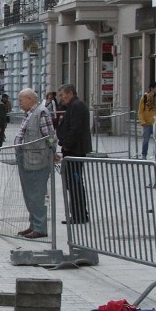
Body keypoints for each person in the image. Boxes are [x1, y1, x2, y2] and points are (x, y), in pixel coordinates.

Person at [13, 88, 56, 239]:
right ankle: (33, 225)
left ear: (30, 99)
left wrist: (53, 151)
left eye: (21, 100)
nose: (19, 103)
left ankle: (40, 227)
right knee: (29, 194)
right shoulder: (30, 113)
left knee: (37, 194)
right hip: (26, 158)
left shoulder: (41, 113)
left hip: (37, 159)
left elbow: (50, 136)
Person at [56, 83, 92, 224]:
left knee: (75, 183)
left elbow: (75, 129)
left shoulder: (77, 106)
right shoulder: (72, 105)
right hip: (72, 150)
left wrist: (66, 144)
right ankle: (77, 213)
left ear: (70, 93)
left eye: (62, 95)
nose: (61, 98)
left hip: (75, 150)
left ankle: (80, 214)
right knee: (72, 183)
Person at [138, 81, 156, 158]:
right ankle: (144, 155)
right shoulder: (145, 97)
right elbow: (140, 111)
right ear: (152, 88)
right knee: (146, 140)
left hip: (155, 122)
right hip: (147, 123)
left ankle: (155, 155)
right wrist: (142, 121)